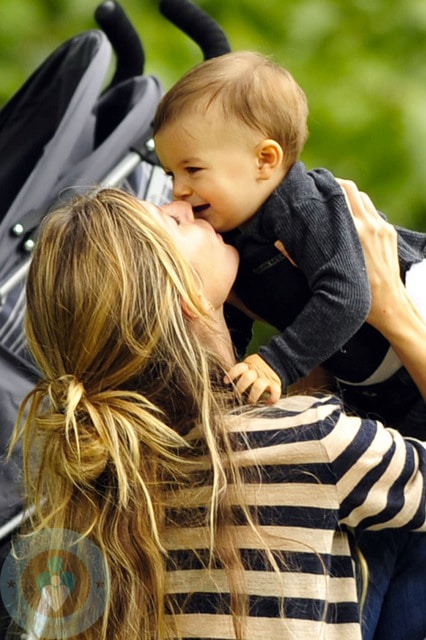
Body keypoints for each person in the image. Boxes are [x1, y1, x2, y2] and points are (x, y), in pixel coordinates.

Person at [7, 183, 426, 640]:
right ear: (184, 294)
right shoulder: (312, 442)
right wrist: (395, 312)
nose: (184, 204)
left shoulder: (82, 491)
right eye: (172, 221)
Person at [153, 50, 426, 437]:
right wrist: (225, 384)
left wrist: (275, 363)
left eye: (192, 169)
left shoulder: (301, 207)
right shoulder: (231, 235)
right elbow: (235, 320)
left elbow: (348, 296)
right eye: (170, 173)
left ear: (265, 160)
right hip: (377, 380)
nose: (179, 190)